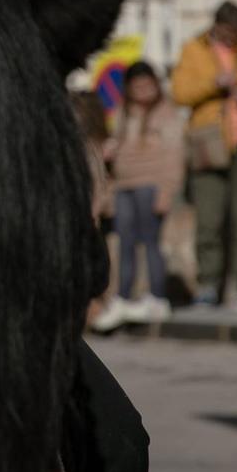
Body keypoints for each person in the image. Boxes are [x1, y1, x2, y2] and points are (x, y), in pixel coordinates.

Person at [171, 0, 237, 309]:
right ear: (215, 25)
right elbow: (180, 93)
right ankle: (208, 285)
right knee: (209, 218)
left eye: (235, 31)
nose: (231, 37)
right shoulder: (193, 50)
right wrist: (213, 84)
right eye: (226, 30)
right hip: (208, 143)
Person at [90, 62, 184, 333]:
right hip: (123, 185)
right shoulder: (123, 112)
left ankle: (157, 297)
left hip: (151, 184)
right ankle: (124, 297)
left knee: (150, 240)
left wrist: (167, 191)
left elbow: (175, 155)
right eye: (137, 86)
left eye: (147, 85)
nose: (142, 91)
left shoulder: (168, 114)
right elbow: (118, 142)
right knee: (126, 242)